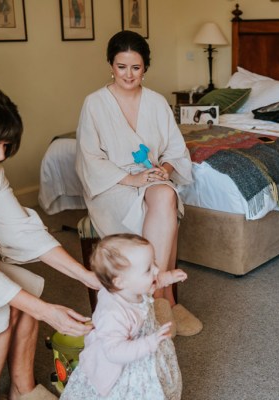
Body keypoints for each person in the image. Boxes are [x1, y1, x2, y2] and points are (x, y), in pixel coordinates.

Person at [0, 80, 100, 400]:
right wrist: (48, 312)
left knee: (24, 284)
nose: (1, 155)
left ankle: (23, 389)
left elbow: (21, 229)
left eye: (5, 145)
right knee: (3, 306)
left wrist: (88, 276)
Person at [75, 30, 201, 336]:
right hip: (112, 186)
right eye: (121, 67)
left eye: (135, 67)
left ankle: (156, 297)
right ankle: (166, 298)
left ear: (145, 67)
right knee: (164, 203)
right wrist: (131, 178)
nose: (128, 74)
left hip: (150, 179)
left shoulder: (157, 103)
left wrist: (165, 169)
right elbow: (88, 159)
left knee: (164, 194)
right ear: (110, 66)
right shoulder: (94, 104)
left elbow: (175, 150)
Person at [61, 234, 184, 399]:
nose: (156, 269)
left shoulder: (130, 287)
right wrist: (149, 343)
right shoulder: (113, 314)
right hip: (124, 363)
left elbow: (151, 284)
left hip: (143, 347)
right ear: (120, 282)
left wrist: (167, 277)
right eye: (148, 269)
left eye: (154, 262)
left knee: (158, 383)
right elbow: (114, 351)